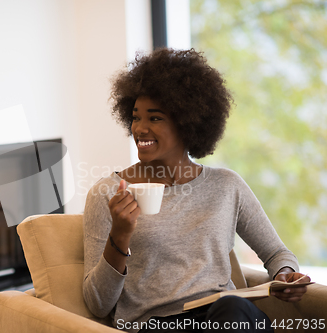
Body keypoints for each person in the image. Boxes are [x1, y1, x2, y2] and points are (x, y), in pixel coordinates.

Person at [82, 48, 310, 333]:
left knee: (233, 309)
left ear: (188, 123)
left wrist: (285, 275)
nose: (139, 128)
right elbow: (97, 304)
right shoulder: (108, 193)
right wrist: (119, 236)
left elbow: (277, 253)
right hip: (157, 325)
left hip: (227, 315)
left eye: (154, 118)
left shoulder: (227, 185)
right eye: (136, 117)